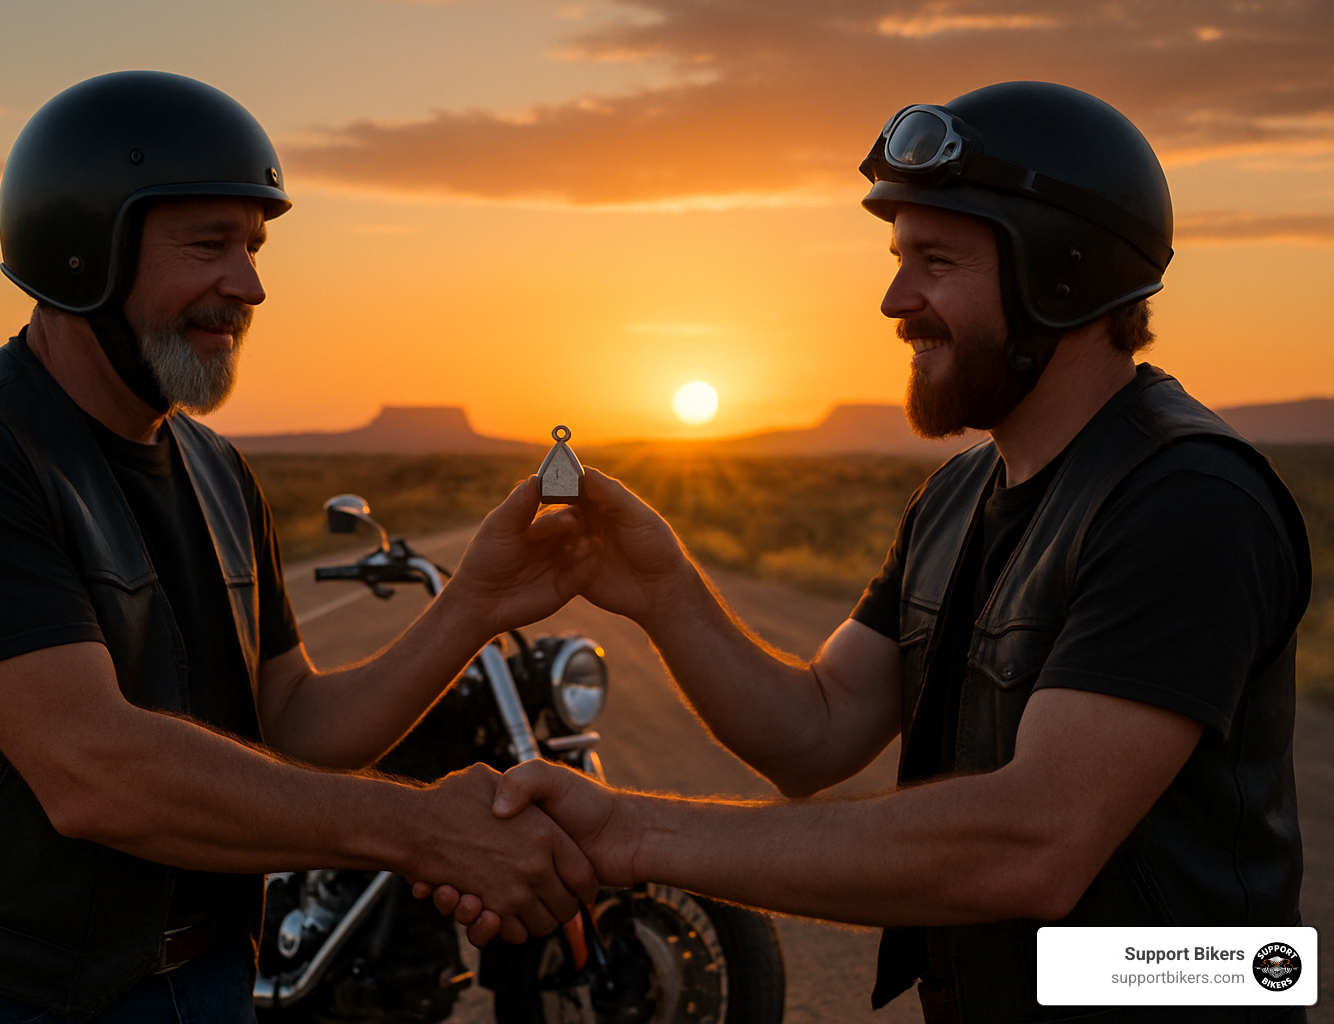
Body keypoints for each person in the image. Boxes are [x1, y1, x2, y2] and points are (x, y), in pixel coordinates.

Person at [438, 82, 1312, 1023]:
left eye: (936, 262)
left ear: (1063, 276)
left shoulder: (1187, 501)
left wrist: (631, 834)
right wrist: (663, 590)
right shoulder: (955, 498)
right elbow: (812, 733)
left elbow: (1033, 844)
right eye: (900, 259)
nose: (896, 301)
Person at [0, 71, 595, 1023]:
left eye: (253, 247)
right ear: (83, 252)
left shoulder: (215, 468)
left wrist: (477, 603)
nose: (250, 286)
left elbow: (295, 722)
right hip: (5, 999)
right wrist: (421, 831)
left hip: (209, 981)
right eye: (209, 245)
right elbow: (95, 772)